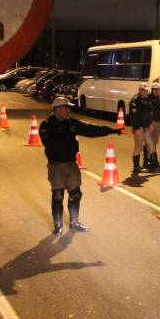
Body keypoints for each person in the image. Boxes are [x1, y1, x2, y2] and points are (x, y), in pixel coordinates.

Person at [38, 96, 122, 235]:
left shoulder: (72, 123)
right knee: (58, 195)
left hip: (71, 164)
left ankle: (74, 221)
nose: (68, 110)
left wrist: (112, 130)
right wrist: (64, 129)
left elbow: (90, 129)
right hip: (56, 165)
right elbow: (49, 143)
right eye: (66, 108)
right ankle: (58, 224)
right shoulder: (46, 125)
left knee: (75, 194)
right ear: (58, 109)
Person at [127, 82, 154, 174]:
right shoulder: (135, 100)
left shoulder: (147, 99)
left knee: (148, 144)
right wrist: (136, 127)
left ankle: (146, 164)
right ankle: (136, 166)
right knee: (138, 146)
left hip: (145, 126)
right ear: (139, 90)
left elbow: (149, 113)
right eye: (144, 90)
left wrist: (150, 123)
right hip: (138, 126)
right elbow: (132, 115)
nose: (146, 92)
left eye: (146, 90)